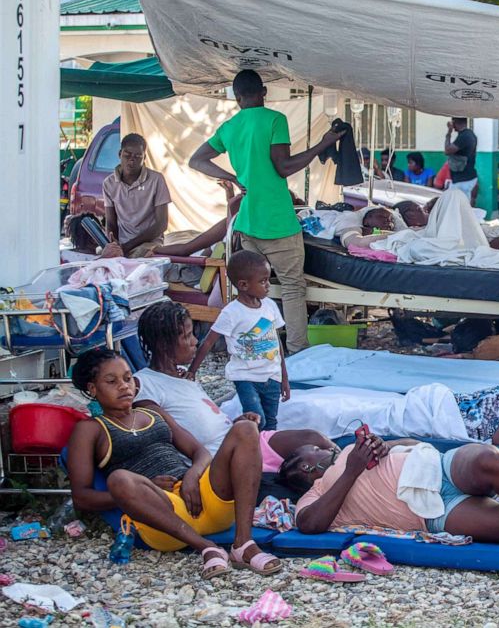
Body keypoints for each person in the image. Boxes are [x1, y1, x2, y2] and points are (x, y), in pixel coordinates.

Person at [66, 349, 281, 576]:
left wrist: (192, 475)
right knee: (119, 479)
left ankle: (243, 544)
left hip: (199, 496)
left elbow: (199, 452)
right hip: (163, 517)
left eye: (128, 378)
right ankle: (207, 548)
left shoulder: (151, 412)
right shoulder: (90, 429)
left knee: (246, 428)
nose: (123, 386)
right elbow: (81, 497)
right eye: (112, 381)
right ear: (92, 389)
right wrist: (147, 487)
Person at [189, 69, 346, 354]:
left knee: (251, 290)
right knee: (292, 287)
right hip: (278, 222)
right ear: (264, 92)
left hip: (247, 223)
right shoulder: (275, 120)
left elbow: (197, 160)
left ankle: (257, 349)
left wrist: (234, 178)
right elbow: (283, 167)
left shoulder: (229, 127)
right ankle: (297, 350)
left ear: (237, 98)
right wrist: (323, 144)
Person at [287, 438, 499, 546]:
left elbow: (413, 444)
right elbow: (310, 525)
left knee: (487, 457)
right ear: (305, 467)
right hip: (433, 513)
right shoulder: (313, 496)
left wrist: (388, 445)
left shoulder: (348, 448)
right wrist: (351, 470)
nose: (323, 446)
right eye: (315, 449)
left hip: (435, 467)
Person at [135, 301, 335, 472]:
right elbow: (173, 436)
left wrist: (236, 422)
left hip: (240, 441)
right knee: (312, 462)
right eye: (187, 336)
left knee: (314, 439)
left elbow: (199, 418)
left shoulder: (183, 376)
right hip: (223, 460)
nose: (195, 341)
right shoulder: (146, 385)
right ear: (163, 344)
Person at [187, 250, 290, 431]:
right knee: (257, 420)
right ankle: (237, 439)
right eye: (263, 281)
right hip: (246, 377)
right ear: (243, 285)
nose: (268, 286)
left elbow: (276, 342)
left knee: (271, 424)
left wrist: (284, 378)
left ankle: (265, 456)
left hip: (271, 376)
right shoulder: (232, 312)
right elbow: (209, 342)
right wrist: (192, 371)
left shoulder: (270, 306)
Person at [102, 133, 172, 259]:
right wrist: (113, 243)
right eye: (127, 155)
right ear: (120, 154)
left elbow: (162, 224)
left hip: (149, 243)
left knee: (140, 259)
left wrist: (127, 246)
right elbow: (111, 222)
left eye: (138, 156)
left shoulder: (156, 180)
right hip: (122, 244)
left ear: (144, 157)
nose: (132, 160)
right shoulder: (109, 183)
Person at [444, 118, 478, 204]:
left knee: (457, 207)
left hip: (462, 180)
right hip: (466, 178)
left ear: (454, 123)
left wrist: (449, 133)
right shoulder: (469, 134)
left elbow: (447, 150)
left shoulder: (465, 136)